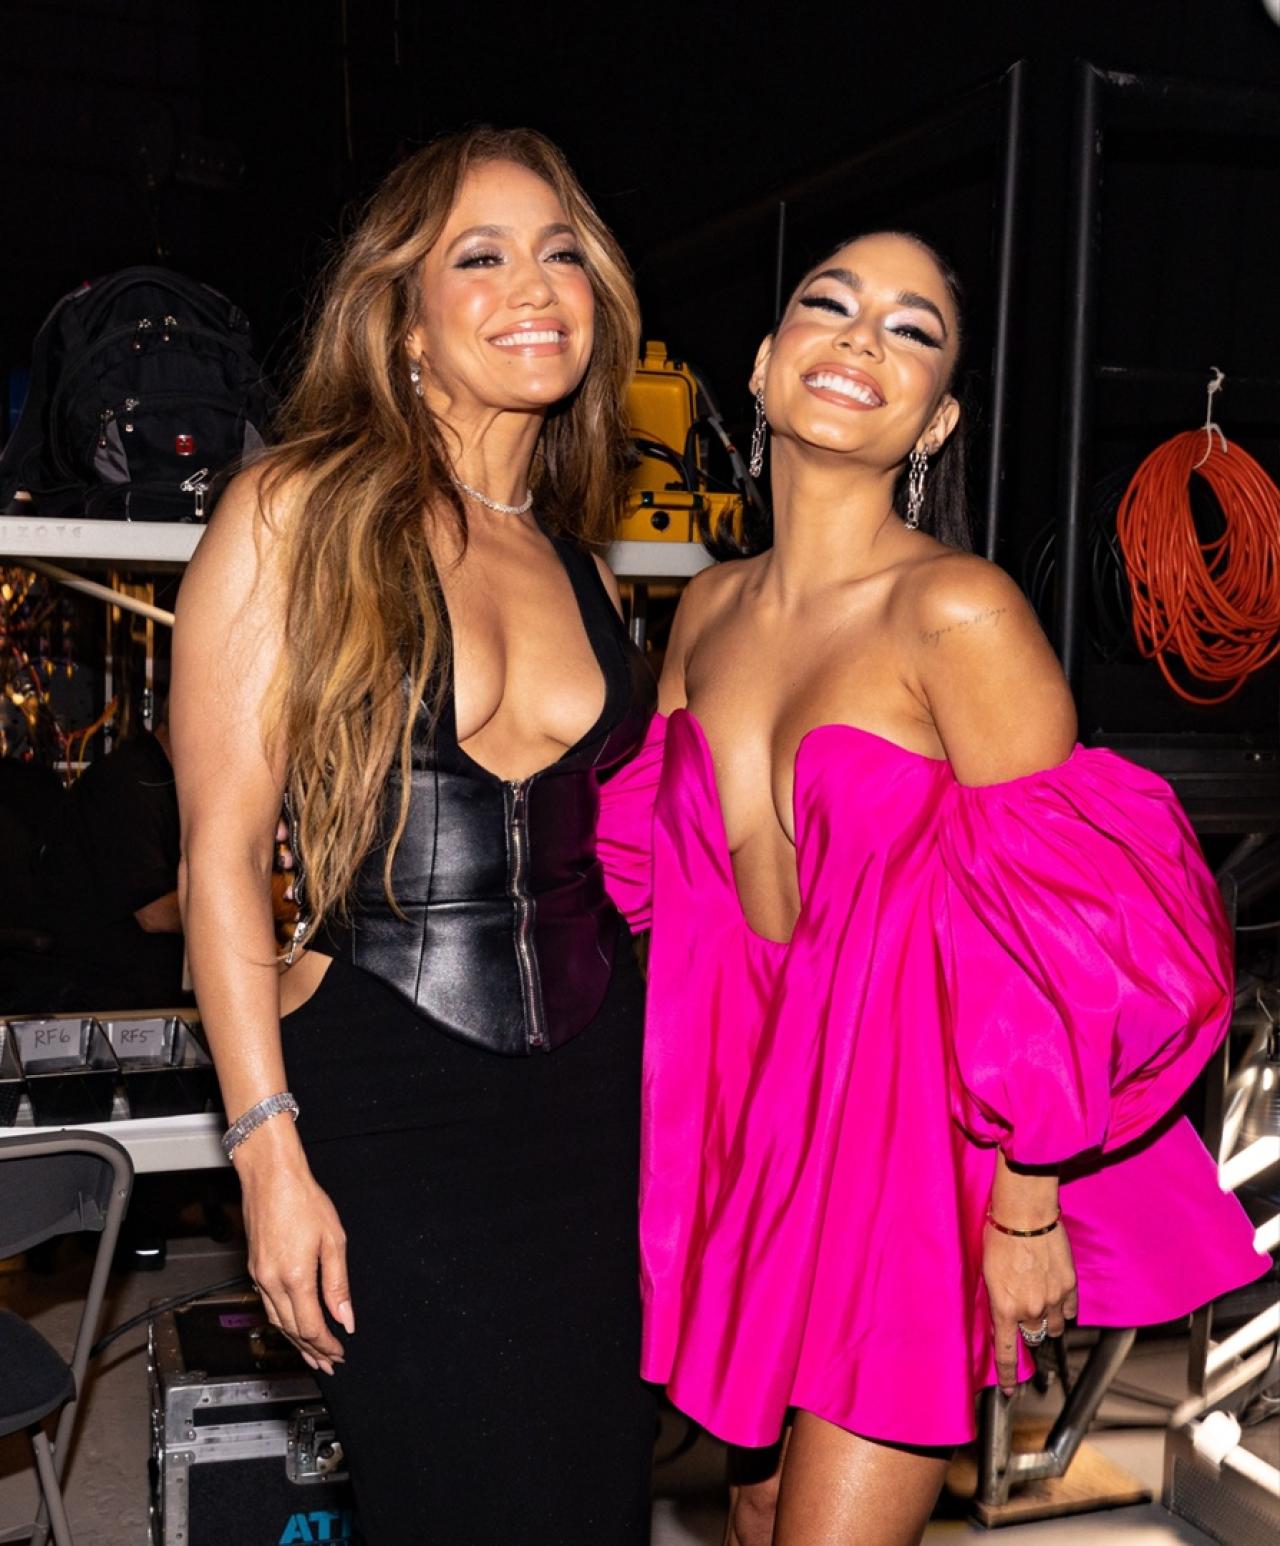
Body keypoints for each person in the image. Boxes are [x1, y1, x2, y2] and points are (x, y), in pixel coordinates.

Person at [599, 231, 1269, 1546]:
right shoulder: (708, 611)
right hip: (752, 1142)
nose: (861, 338)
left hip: (903, 1151)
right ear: (762, 362)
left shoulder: (956, 612)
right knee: (756, 1512)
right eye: (830, 304)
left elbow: (1085, 928)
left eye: (910, 330)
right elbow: (651, 886)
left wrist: (1025, 1202)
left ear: (936, 418)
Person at [171, 127, 660, 1544]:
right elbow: (218, 857)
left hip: (591, 1108)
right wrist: (266, 1153)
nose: (536, 287)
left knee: (593, 1492)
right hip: (382, 1104)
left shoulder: (581, 564)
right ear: (402, 320)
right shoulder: (291, 514)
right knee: (444, 1492)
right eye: (482, 257)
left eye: (562, 253)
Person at [25, 703, 184, 1011]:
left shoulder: (165, 781)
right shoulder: (129, 783)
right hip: (99, 995)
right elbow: (154, 914)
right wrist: (251, 903)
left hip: (139, 988)